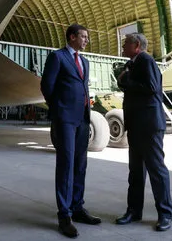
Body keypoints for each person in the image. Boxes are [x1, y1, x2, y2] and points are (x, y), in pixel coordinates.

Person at [41, 24, 101, 238]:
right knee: (66, 165)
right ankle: (64, 215)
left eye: (87, 36)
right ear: (72, 37)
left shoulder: (84, 61)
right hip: (65, 119)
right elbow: (47, 86)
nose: (86, 40)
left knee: (80, 165)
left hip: (83, 119)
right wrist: (59, 111)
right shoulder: (57, 57)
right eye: (83, 36)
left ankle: (77, 207)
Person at [115, 33, 172, 232]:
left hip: (149, 126)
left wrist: (126, 80)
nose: (123, 47)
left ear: (137, 45)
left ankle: (165, 214)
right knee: (136, 172)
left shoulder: (146, 61)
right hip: (137, 125)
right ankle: (133, 211)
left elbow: (151, 87)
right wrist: (125, 78)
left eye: (126, 44)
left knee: (156, 171)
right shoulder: (133, 63)